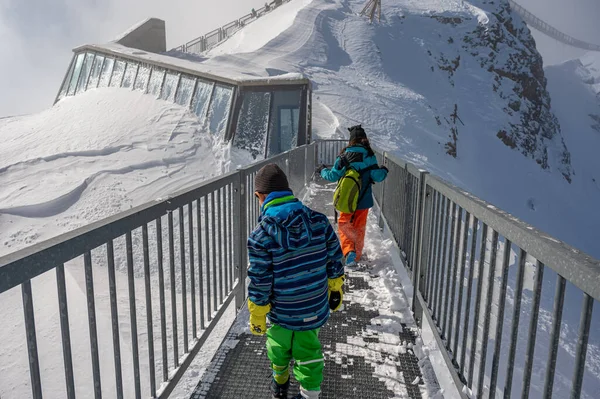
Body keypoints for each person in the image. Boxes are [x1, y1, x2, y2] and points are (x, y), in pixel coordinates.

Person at [247, 163, 345, 399]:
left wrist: (258, 314)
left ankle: (280, 383)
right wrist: (335, 289)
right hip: (313, 306)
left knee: (278, 348)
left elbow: (260, 279)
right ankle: (309, 395)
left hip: (281, 312)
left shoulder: (260, 236)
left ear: (260, 196)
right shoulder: (319, 222)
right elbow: (335, 258)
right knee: (309, 352)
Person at [320, 125, 388, 266]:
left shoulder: (344, 156)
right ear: (364, 140)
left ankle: (348, 251)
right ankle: (356, 255)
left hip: (347, 199)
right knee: (359, 226)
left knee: (345, 225)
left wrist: (322, 171)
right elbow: (378, 176)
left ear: (350, 140)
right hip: (364, 199)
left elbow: (333, 176)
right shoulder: (369, 156)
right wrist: (384, 170)